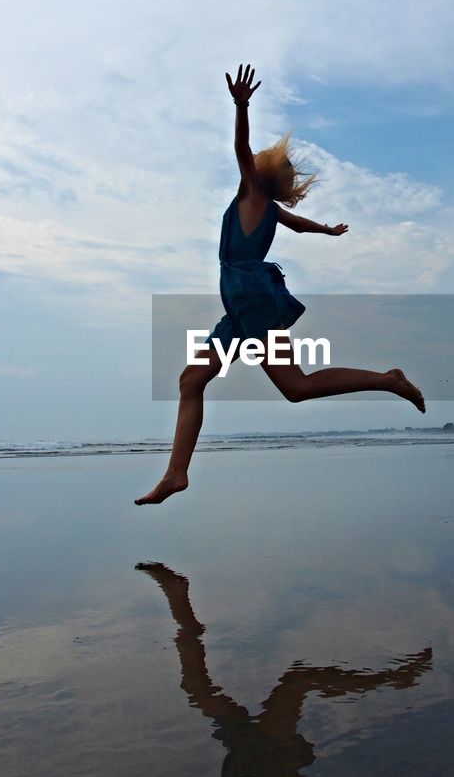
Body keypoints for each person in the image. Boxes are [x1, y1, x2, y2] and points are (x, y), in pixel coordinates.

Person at [135, 64, 424, 505]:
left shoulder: (252, 195)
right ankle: (176, 474)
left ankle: (389, 380)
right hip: (240, 307)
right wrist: (326, 231)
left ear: (257, 173)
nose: (251, 163)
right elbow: (300, 225)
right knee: (194, 379)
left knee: (295, 387)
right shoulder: (268, 208)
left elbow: (239, 145)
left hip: (253, 300)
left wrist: (241, 105)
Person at [136, 561, 432, 777]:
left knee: (197, 689)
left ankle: (179, 599)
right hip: (268, 761)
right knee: (297, 681)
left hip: (245, 761)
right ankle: (392, 678)